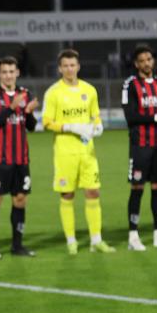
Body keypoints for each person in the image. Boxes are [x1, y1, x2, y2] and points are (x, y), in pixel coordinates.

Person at [41, 49, 112, 254]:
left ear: (78, 67)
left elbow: (95, 115)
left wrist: (98, 126)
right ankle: (71, 240)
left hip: (88, 152)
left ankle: (96, 240)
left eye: (73, 65)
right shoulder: (53, 92)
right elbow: (46, 122)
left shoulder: (89, 90)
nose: (70, 69)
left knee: (93, 191)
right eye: (66, 66)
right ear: (60, 68)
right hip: (65, 153)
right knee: (67, 194)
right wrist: (70, 127)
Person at [121, 45, 157, 251]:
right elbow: (130, 117)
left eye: (149, 59)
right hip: (140, 145)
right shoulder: (130, 85)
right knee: (137, 188)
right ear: (137, 64)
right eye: (142, 60)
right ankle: (133, 236)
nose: (147, 63)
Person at [0, 56, 38, 259]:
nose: (8, 75)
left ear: (17, 73)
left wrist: (30, 113)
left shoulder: (25, 93)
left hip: (21, 159)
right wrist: (11, 107)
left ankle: (17, 245)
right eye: (4, 72)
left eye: (11, 71)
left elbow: (31, 127)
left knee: (20, 200)